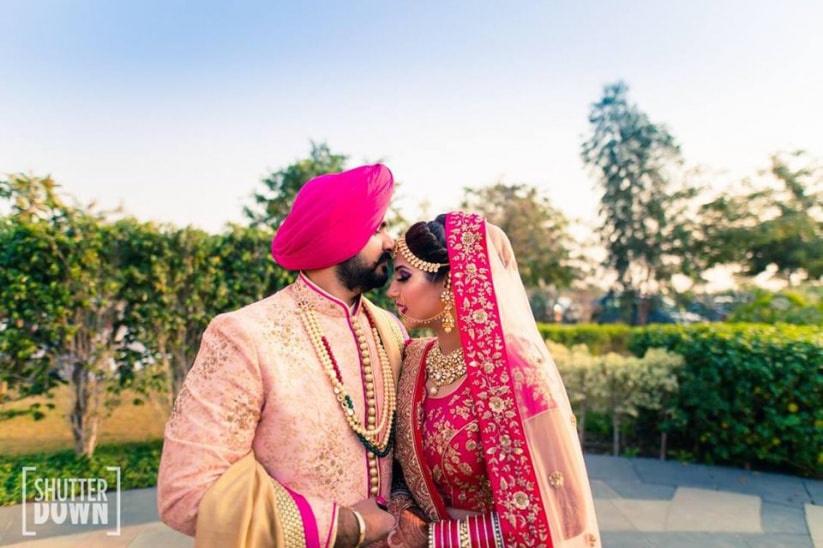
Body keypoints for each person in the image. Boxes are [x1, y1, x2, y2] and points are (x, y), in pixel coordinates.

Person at [157, 164, 406, 547]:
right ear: (337, 237)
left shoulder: (389, 329)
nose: (391, 242)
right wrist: (349, 526)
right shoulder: (246, 335)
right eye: (377, 229)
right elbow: (187, 491)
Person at [385, 211, 600, 547]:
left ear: (451, 280)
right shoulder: (413, 359)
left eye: (402, 276)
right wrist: (404, 513)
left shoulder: (516, 370)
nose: (390, 290)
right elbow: (397, 467)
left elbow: (564, 511)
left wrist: (435, 538)